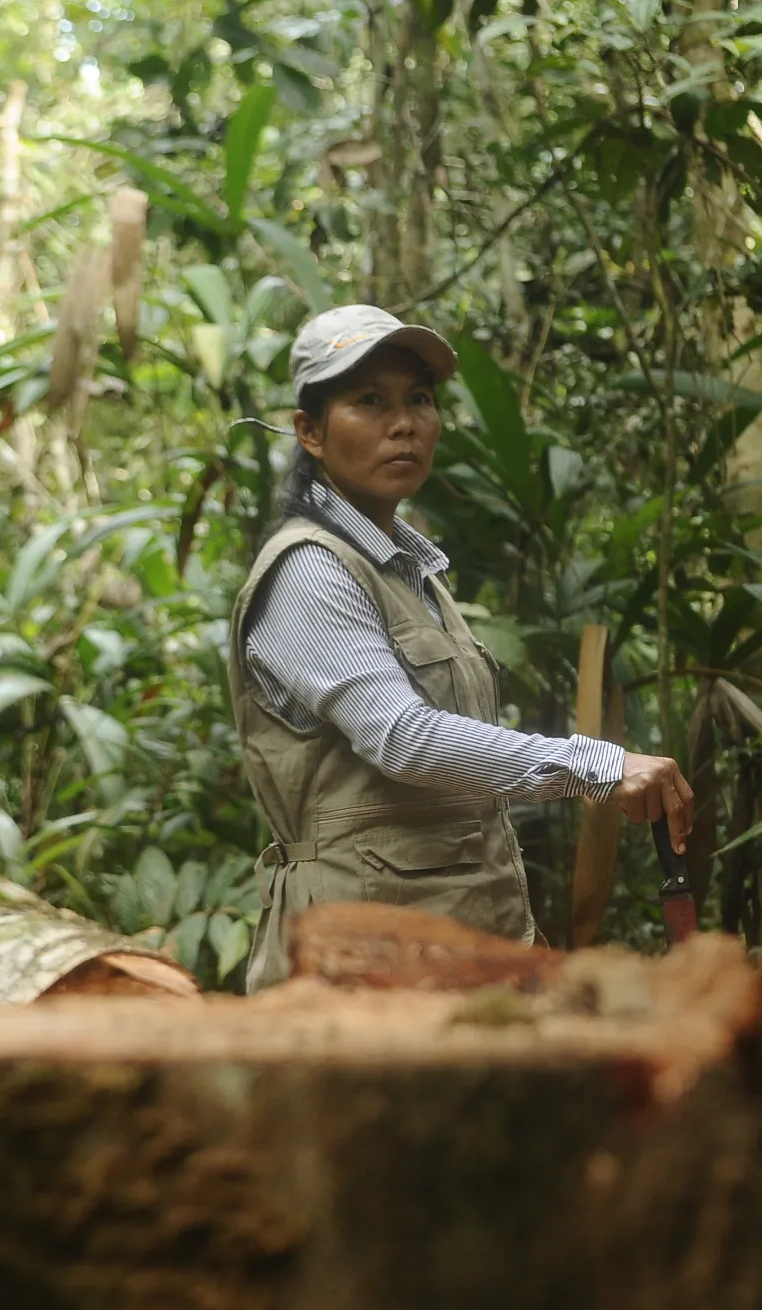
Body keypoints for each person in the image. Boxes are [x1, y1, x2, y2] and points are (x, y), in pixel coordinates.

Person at [229, 304, 693, 989]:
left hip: (461, 953)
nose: (404, 423)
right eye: (368, 401)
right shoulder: (308, 568)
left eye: (419, 399)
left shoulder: (411, 570)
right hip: (358, 970)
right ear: (310, 432)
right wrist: (596, 765)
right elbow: (404, 739)